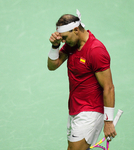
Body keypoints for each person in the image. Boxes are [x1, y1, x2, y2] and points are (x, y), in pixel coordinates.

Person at [47, 9, 117, 150]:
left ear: (75, 30)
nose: (63, 41)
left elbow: (108, 87)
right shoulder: (71, 44)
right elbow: (52, 65)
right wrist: (55, 45)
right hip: (75, 108)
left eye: (65, 38)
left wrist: (108, 121)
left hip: (91, 110)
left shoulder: (96, 50)